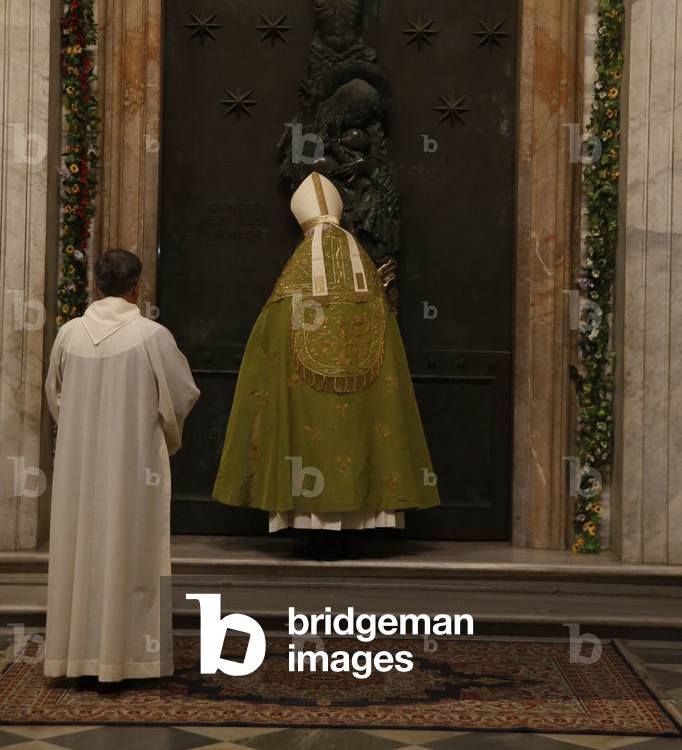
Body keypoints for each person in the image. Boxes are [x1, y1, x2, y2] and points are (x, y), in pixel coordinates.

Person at [212, 172, 440, 559]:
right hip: (366, 394)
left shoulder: (296, 277)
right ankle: (356, 530)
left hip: (304, 394)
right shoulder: (363, 275)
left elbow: (268, 336)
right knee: (360, 438)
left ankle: (315, 532)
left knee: (309, 446)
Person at [43, 249, 200, 682]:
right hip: (133, 469)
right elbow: (182, 394)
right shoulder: (153, 336)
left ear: (96, 284)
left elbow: (55, 398)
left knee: (82, 552)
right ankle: (127, 660)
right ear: (137, 287)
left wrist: (81, 432)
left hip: (79, 467)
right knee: (130, 552)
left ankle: (75, 659)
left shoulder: (68, 335)